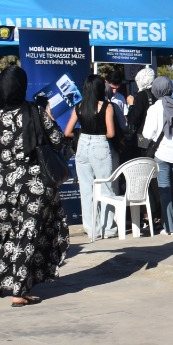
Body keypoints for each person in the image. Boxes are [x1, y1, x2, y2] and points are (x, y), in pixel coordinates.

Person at [0, 67, 71, 306]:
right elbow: (58, 140)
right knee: (29, 235)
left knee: (7, 232)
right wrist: (48, 116)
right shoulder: (35, 112)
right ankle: (20, 289)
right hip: (35, 185)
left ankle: (0, 279)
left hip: (8, 186)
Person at [64, 74, 117, 232]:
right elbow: (111, 133)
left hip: (82, 146)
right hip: (100, 144)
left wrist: (81, 135)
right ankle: (107, 228)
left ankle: (91, 228)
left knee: (86, 189)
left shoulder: (79, 106)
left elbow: (67, 132)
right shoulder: (106, 106)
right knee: (105, 187)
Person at [143, 75, 173, 233]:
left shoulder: (154, 108)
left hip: (163, 151)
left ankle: (169, 227)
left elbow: (147, 133)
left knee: (164, 188)